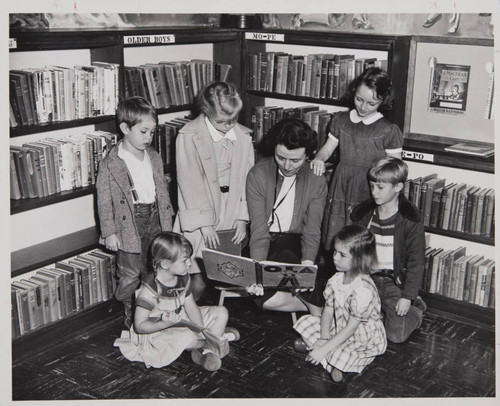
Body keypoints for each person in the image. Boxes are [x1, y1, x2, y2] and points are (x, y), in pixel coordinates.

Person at [96, 96, 174, 328]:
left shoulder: (153, 156)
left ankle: (148, 306)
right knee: (130, 272)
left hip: (155, 217)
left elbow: (161, 189)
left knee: (154, 266)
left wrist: (167, 221)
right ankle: (128, 305)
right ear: (124, 128)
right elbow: (103, 200)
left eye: (152, 132)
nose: (149, 138)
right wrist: (109, 232)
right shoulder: (112, 163)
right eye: (143, 131)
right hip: (129, 222)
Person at [174, 82, 254, 301]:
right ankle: (183, 316)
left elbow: (249, 179)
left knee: (220, 271)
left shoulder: (244, 137)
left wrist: (242, 217)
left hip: (231, 210)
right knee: (194, 274)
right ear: (205, 111)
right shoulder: (188, 135)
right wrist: (205, 223)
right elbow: (188, 183)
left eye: (233, 120)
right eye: (221, 121)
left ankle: (204, 319)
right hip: (201, 213)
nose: (228, 126)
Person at [113, 232, 239, 371]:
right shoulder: (149, 290)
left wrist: (201, 329)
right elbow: (140, 326)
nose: (190, 263)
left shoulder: (183, 277)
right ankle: (215, 340)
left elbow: (191, 307)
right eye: (185, 260)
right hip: (157, 330)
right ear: (166, 264)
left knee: (221, 312)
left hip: (180, 318)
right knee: (187, 338)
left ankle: (207, 347)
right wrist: (164, 323)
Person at [310, 67, 404, 251]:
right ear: (353, 92)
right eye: (359, 99)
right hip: (341, 185)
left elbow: (396, 169)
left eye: (371, 103)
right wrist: (319, 158)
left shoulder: (388, 130)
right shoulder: (340, 120)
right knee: (337, 235)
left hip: (369, 188)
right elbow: (328, 148)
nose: (362, 107)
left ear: (383, 101)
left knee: (361, 239)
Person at [246, 118, 327, 316]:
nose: (287, 166)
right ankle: (321, 310)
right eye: (280, 157)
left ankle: (317, 315)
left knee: (292, 260)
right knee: (261, 297)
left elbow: (312, 229)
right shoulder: (259, 173)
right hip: (265, 241)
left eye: (295, 160)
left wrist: (308, 262)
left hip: (297, 243)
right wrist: (258, 268)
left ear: (309, 156)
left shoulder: (316, 179)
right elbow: (258, 230)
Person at [294, 224, 387, 382]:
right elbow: (328, 311)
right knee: (305, 322)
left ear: (359, 259)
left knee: (343, 353)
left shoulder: (363, 290)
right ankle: (330, 364)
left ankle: (325, 357)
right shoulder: (336, 279)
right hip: (338, 328)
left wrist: (323, 348)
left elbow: (351, 328)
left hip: (361, 338)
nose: (335, 257)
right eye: (335, 252)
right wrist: (324, 338)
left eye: (342, 255)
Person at [350, 157, 426, 343]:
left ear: (398, 187)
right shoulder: (365, 215)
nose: (373, 192)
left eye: (380, 187)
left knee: (396, 336)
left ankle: (417, 308)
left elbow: (416, 262)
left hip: (395, 282)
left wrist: (407, 297)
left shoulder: (410, 220)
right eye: (371, 186)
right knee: (351, 323)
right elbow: (354, 250)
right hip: (369, 279)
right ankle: (381, 313)